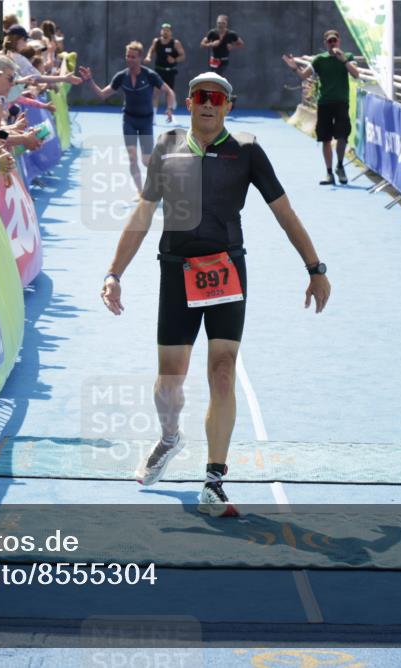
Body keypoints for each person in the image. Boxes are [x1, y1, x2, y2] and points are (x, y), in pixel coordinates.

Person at [100, 72, 331, 517]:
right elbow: (142, 215)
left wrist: (315, 268)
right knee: (170, 379)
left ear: (228, 105)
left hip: (226, 270)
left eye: (218, 98)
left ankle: (214, 479)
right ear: (189, 102)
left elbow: (285, 213)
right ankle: (169, 438)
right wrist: (114, 273)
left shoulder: (246, 151)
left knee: (223, 371)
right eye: (202, 97)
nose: (209, 104)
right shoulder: (166, 149)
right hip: (176, 271)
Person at [78, 43, 176, 192]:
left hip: (146, 121)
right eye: (127, 56)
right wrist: (90, 80)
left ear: (140, 58)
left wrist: (169, 109)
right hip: (129, 120)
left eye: (133, 57)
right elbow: (103, 94)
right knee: (132, 157)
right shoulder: (121, 76)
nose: (129, 59)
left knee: (146, 161)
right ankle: (140, 192)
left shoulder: (150, 75)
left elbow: (168, 92)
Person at [283, 30, 360, 185]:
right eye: (329, 41)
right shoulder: (319, 60)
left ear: (339, 41)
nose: (333, 44)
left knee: (342, 137)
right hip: (324, 103)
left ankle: (340, 165)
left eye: (335, 41)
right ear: (325, 43)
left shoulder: (348, 56)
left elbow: (356, 74)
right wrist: (294, 67)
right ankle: (329, 172)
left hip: (341, 103)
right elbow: (304, 76)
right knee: (325, 139)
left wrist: (343, 60)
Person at [145, 23, 185, 98]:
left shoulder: (175, 43)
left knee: (169, 92)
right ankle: (154, 109)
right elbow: (151, 50)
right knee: (156, 91)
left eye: (167, 30)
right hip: (159, 70)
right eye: (163, 30)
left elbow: (183, 56)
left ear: (171, 32)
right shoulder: (156, 41)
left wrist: (174, 60)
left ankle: (170, 108)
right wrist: (148, 57)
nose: (165, 32)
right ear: (161, 31)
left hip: (170, 71)